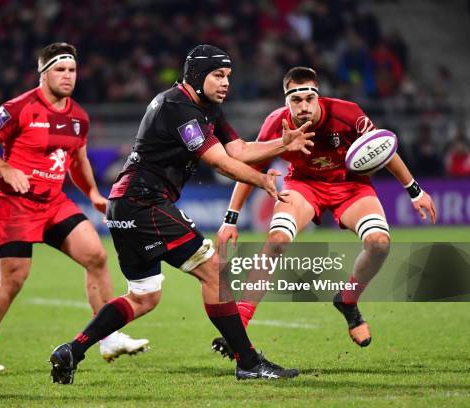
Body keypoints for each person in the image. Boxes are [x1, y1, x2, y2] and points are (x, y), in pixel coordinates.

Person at [49, 45, 316, 384]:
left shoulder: (207, 108)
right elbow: (219, 161)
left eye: (228, 77)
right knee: (215, 273)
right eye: (218, 75)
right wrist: (262, 179)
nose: (225, 84)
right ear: (196, 75)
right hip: (144, 201)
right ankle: (248, 362)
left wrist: (282, 145)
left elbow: (239, 150)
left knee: (144, 296)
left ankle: (72, 350)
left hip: (125, 204)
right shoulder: (179, 107)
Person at [213, 67, 437, 358]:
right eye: (296, 100)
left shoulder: (347, 113)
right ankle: (239, 325)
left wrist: (415, 191)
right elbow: (249, 169)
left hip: (351, 185)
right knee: (277, 240)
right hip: (303, 185)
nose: (303, 106)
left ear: (318, 95)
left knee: (379, 244)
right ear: (286, 101)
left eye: (309, 98)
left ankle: (348, 300)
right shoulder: (276, 124)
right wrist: (231, 219)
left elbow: (383, 149)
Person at [0, 42, 149, 372]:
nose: (67, 76)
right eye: (60, 70)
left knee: (96, 255)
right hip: (15, 204)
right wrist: (6, 169)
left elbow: (78, 159)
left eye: (72, 70)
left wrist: (92, 192)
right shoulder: (19, 108)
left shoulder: (78, 117)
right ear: (43, 74)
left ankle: (109, 337)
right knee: (13, 280)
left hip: (53, 203)